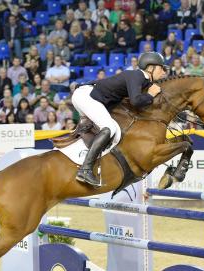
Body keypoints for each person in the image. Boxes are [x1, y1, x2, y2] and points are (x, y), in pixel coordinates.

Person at [71, 51, 166, 187]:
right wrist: (150, 95)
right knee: (110, 128)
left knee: (112, 131)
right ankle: (85, 169)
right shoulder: (137, 75)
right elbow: (136, 101)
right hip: (87, 96)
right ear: (150, 67)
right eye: (161, 68)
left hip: (88, 96)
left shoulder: (141, 80)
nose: (163, 72)